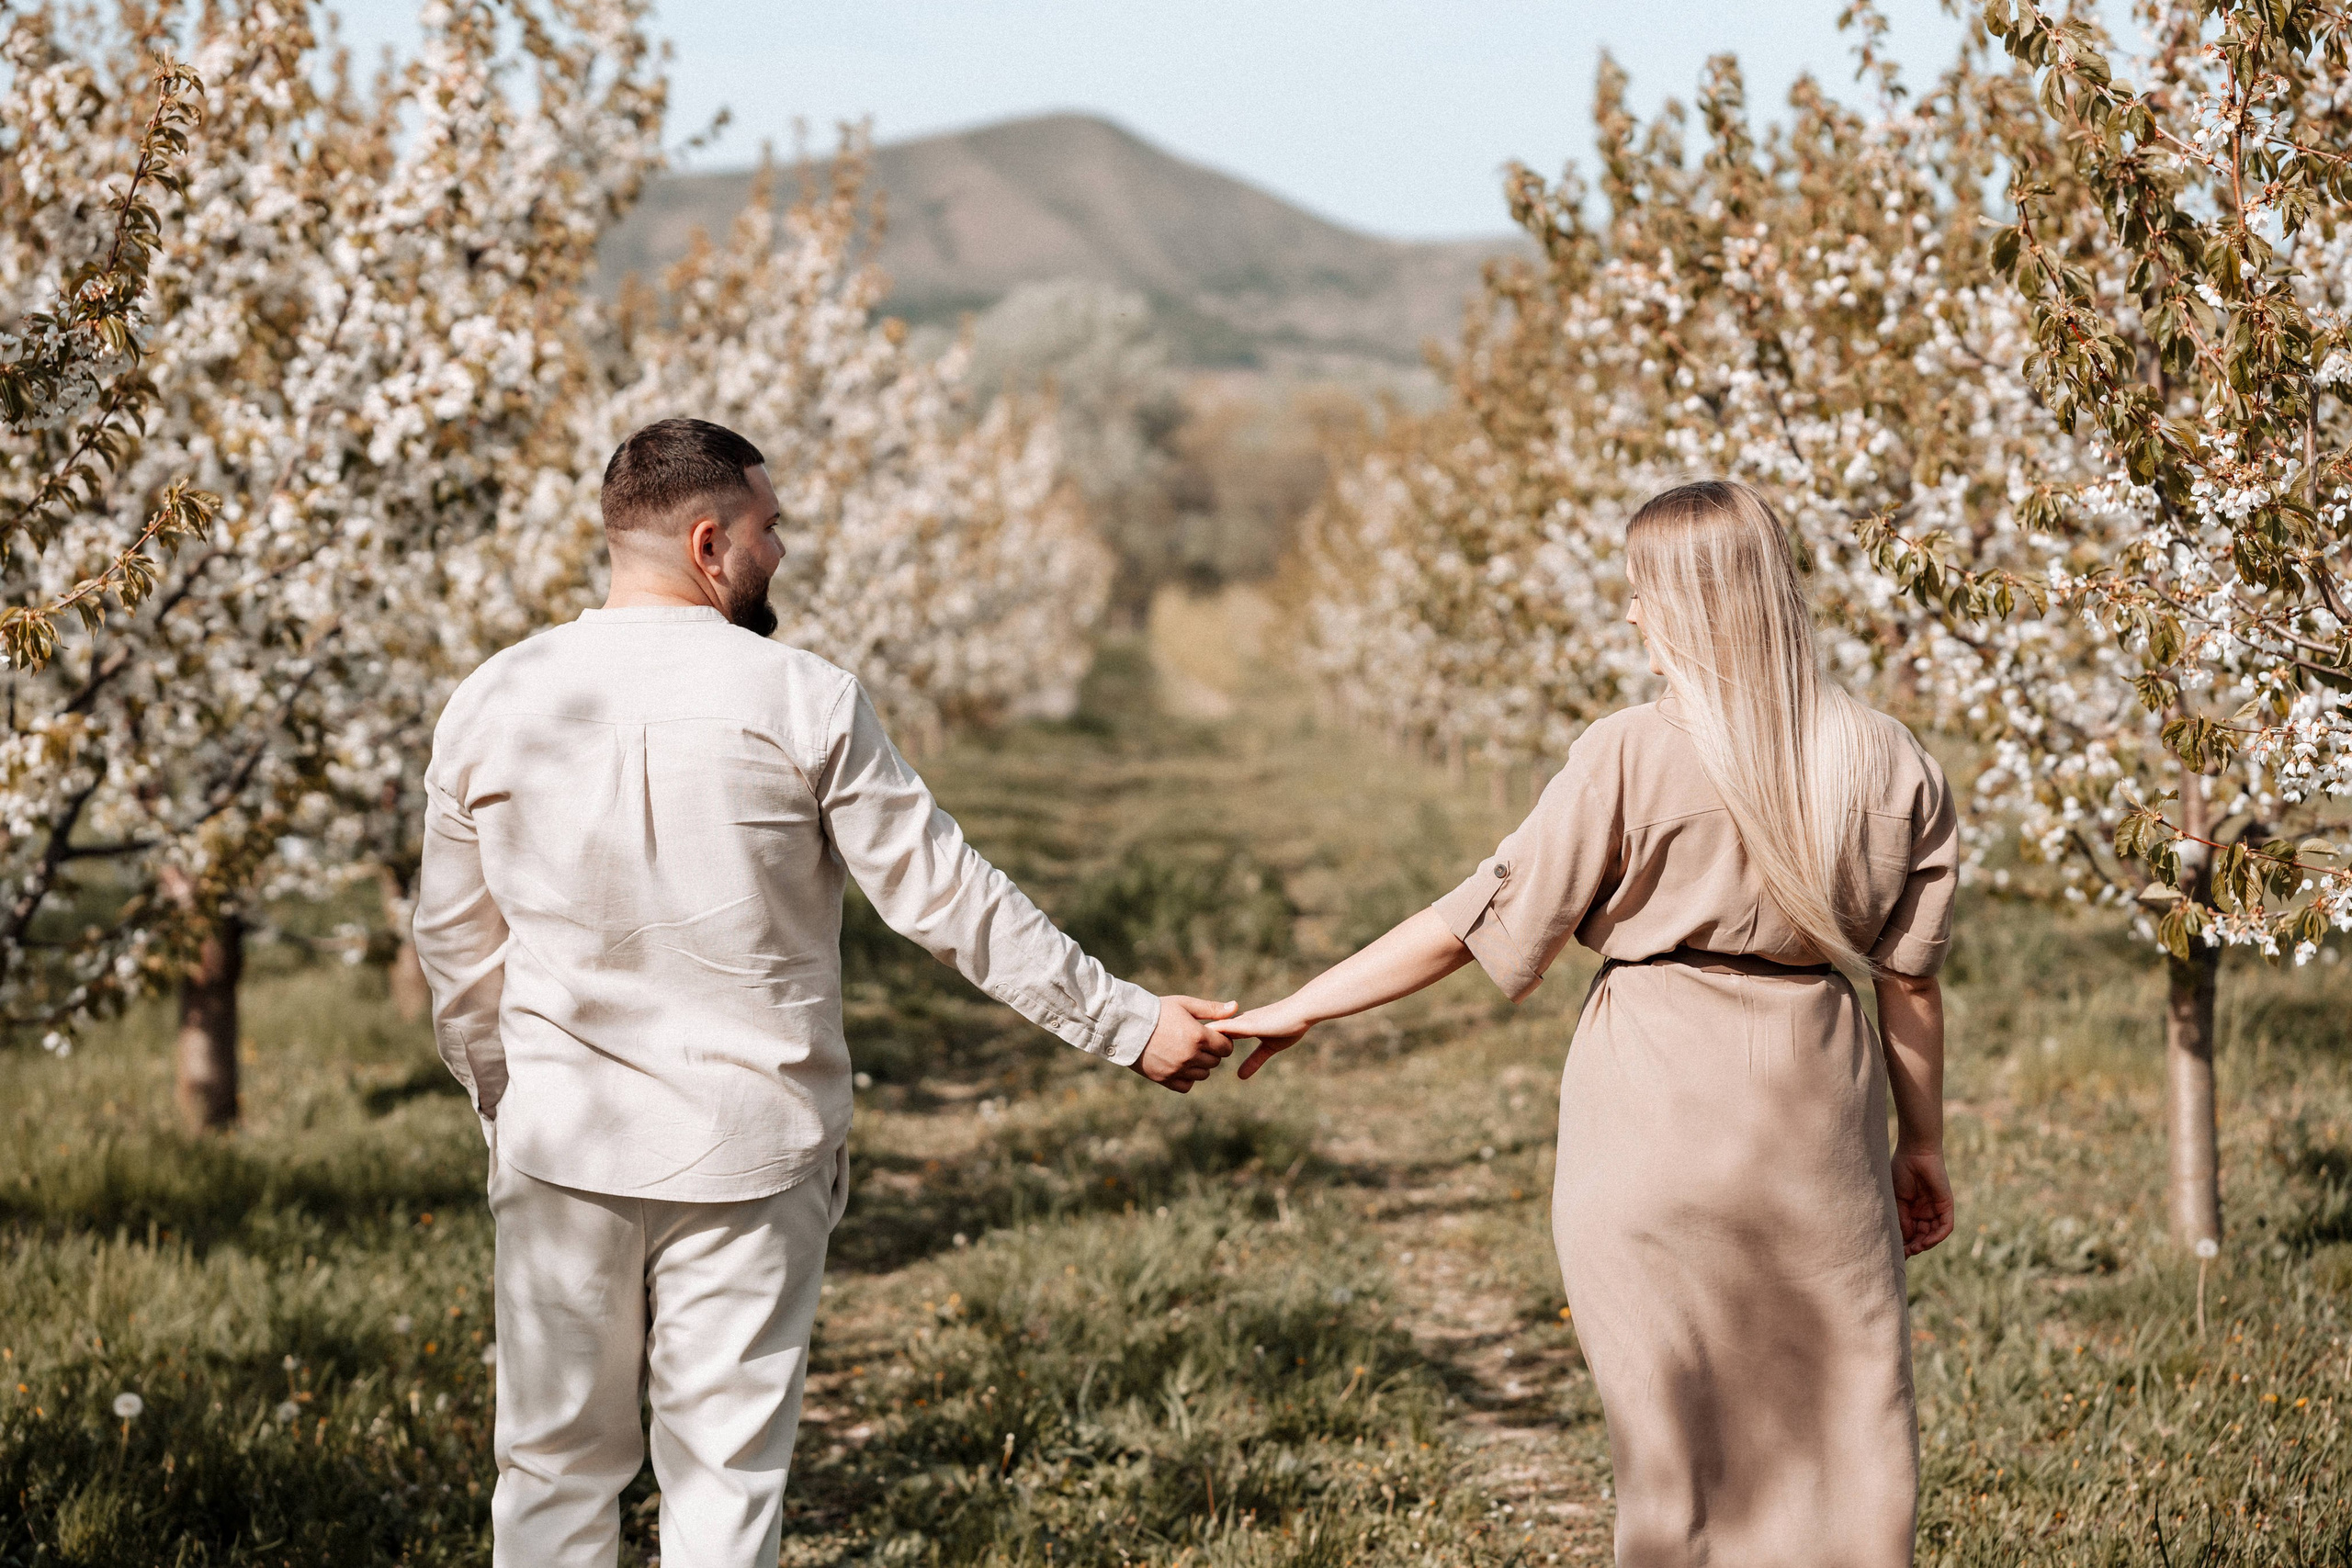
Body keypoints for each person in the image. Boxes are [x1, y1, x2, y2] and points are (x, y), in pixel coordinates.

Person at [411, 417, 1237, 1568]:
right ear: (710, 543)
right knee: (724, 1484)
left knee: (549, 1476)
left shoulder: (493, 699)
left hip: (560, 1143)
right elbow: (948, 901)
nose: (780, 552)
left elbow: (455, 948)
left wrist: (507, 1101)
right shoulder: (804, 700)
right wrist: (1128, 1024)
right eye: (769, 528)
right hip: (749, 1147)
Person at [1221, 479, 1958, 1568]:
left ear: (1686, 606)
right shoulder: (1886, 760)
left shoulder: (1625, 752)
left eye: (1636, 594)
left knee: (1671, 1448)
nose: (1626, 616)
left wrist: (1302, 1006)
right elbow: (1910, 983)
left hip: (1650, 1102)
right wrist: (1924, 1142)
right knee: (1848, 1428)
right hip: (1816, 1105)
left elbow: (1466, 921)